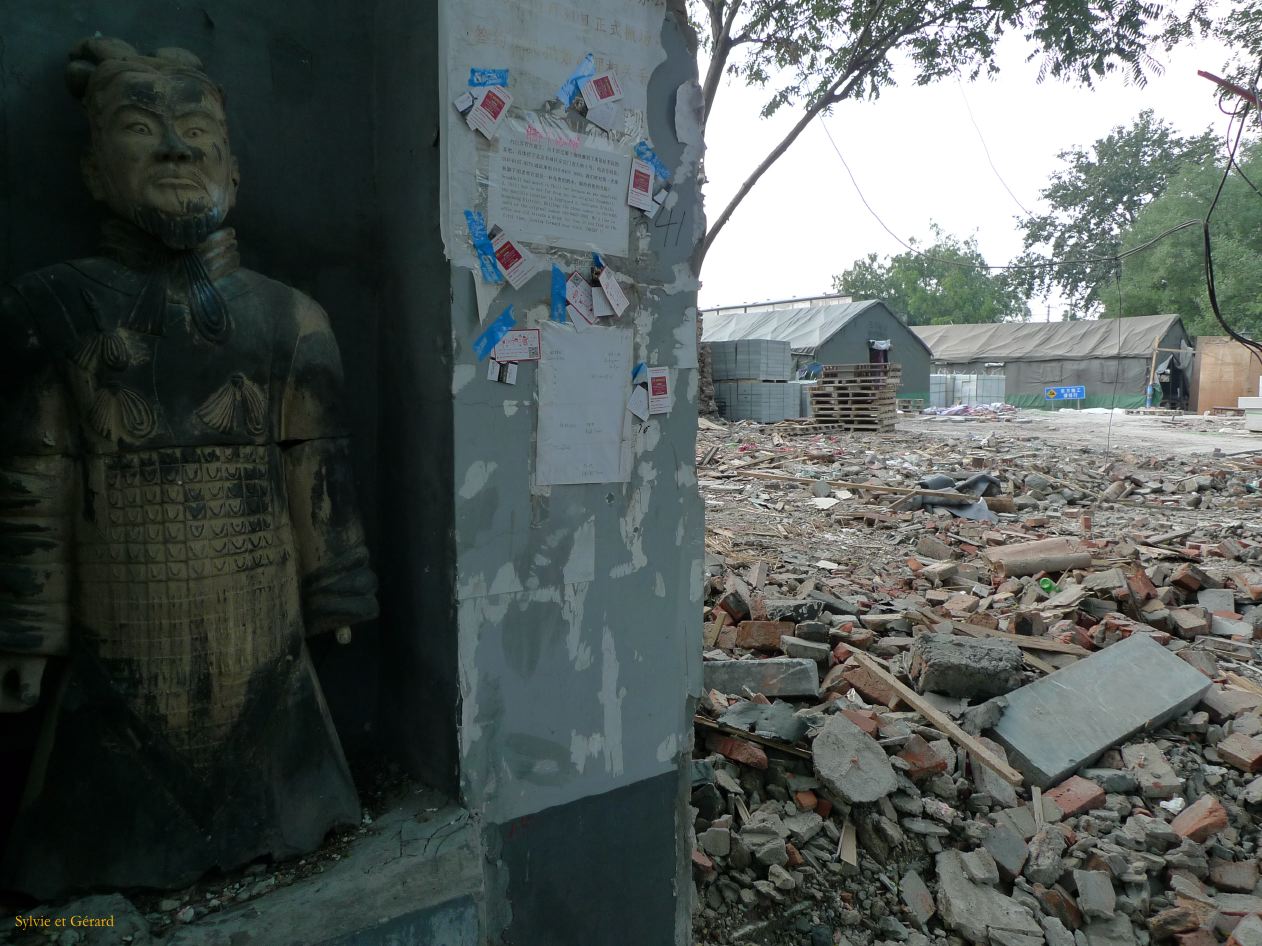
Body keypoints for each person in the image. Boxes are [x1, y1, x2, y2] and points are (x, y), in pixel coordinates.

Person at [0, 37, 377, 897]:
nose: (174, 147)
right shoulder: (45, 310)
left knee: (284, 772)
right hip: (120, 634)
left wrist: (337, 590)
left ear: (232, 170)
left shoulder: (292, 318)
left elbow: (318, 469)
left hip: (263, 632)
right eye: (140, 126)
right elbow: (33, 480)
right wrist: (27, 627)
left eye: (196, 129)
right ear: (95, 171)